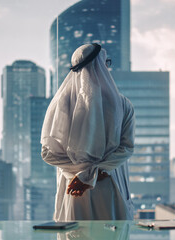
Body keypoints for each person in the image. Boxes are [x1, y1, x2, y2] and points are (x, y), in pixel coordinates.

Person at [41, 43, 135, 221]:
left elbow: (48, 154)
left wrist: (82, 176)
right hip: (107, 184)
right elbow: (126, 149)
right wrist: (91, 174)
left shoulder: (61, 105)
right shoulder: (122, 105)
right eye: (106, 62)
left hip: (74, 187)